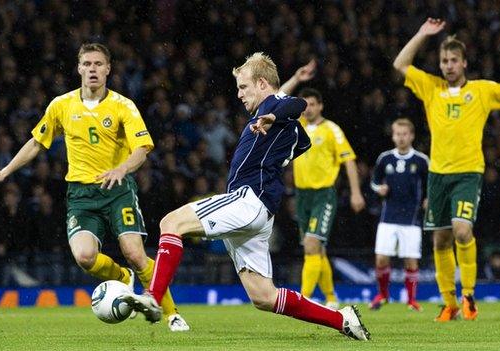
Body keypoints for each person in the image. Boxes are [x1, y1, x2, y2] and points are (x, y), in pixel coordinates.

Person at [125, 52, 370, 340]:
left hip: (248, 200)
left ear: (262, 83)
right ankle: (343, 319)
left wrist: (275, 115)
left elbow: (296, 103)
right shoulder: (273, 121)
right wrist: (276, 121)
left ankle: (153, 297)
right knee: (263, 296)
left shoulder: (274, 111)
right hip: (258, 210)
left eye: (243, 87)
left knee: (171, 223)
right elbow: (297, 135)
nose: (239, 94)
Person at [0, 43, 189, 331]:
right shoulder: (61, 105)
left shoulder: (123, 105)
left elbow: (142, 148)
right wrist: (4, 172)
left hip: (117, 190)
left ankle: (172, 314)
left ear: (108, 69)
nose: (92, 69)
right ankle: (122, 277)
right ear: (79, 68)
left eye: (98, 64)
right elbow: (36, 143)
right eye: (87, 64)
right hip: (80, 195)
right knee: (84, 256)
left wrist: (122, 168)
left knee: (135, 252)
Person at [393, 18, 500, 321]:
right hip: (438, 174)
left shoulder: (481, 90)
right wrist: (422, 33)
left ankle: (469, 296)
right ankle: (449, 303)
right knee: (440, 240)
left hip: (467, 172)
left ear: (464, 63)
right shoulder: (431, 87)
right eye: (444, 61)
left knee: (462, 231)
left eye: (453, 60)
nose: (448, 65)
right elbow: (400, 63)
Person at [279, 60, 365, 309]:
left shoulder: (332, 130)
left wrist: (356, 193)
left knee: (312, 245)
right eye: (305, 105)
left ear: (321, 106)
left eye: (313, 104)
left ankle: (303, 298)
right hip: (302, 195)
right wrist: (296, 77)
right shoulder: (298, 127)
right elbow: (279, 98)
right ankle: (331, 298)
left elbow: (349, 161)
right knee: (317, 249)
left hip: (324, 195)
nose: (308, 109)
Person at [368, 118, 429, 312]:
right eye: (398, 134)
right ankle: (383, 295)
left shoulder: (421, 160)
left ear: (411, 136)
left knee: (410, 260)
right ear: (393, 136)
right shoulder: (385, 158)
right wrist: (379, 189)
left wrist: (428, 200)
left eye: (405, 134)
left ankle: (412, 300)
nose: (401, 138)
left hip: (411, 218)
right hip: (388, 217)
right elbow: (374, 182)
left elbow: (431, 186)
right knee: (381, 258)